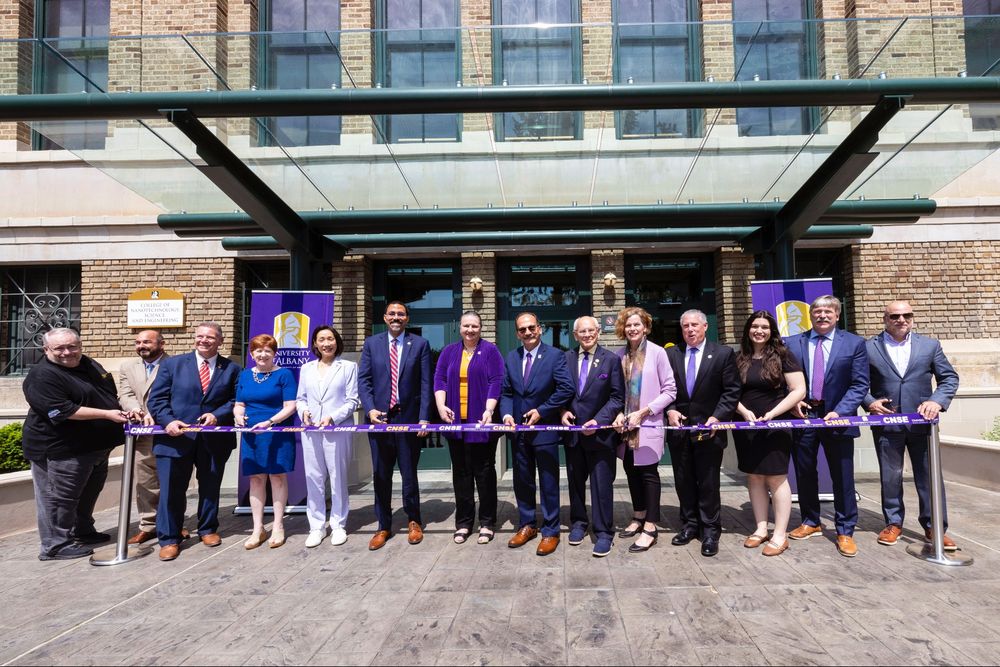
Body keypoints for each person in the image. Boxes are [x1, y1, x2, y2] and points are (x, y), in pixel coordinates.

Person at [21, 328, 127, 560]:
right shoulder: (42, 375)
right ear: (46, 349)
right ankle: (55, 545)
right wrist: (108, 414)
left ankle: (82, 530)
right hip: (61, 449)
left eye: (72, 346)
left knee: (87, 493)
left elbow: (107, 391)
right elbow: (62, 410)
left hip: (94, 447)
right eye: (59, 348)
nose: (67, 352)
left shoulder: (88, 364)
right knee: (59, 497)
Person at [864, 300, 960, 551]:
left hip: (922, 424)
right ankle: (893, 523)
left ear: (913, 318)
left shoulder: (929, 346)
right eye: (895, 316)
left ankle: (934, 527)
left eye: (907, 315)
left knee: (928, 476)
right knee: (891, 476)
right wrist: (870, 402)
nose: (901, 320)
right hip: (887, 423)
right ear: (885, 319)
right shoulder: (868, 347)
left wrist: (936, 401)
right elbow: (858, 382)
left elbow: (949, 378)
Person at [784, 295, 870, 558]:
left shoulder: (854, 343)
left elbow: (860, 384)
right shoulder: (793, 343)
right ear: (810, 315)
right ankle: (811, 521)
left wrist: (841, 411)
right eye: (817, 311)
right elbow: (782, 380)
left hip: (838, 416)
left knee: (842, 474)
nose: (822, 316)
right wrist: (792, 404)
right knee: (804, 471)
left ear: (837, 315)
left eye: (827, 312)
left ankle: (845, 529)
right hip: (805, 414)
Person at [147, 321, 240, 561]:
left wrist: (216, 414)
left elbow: (236, 399)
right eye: (200, 336)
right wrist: (167, 421)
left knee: (210, 486)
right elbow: (157, 399)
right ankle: (169, 538)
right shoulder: (172, 365)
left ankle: (208, 529)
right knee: (170, 490)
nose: (204, 340)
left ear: (220, 340)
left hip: (213, 439)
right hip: (174, 438)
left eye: (210, 337)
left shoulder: (231, 368)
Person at [665, 309, 741, 558]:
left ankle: (710, 530)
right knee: (683, 480)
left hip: (709, 430)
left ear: (705, 326)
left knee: (708, 483)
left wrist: (717, 417)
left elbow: (731, 391)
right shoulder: (671, 354)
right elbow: (666, 388)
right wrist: (670, 410)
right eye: (685, 325)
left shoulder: (723, 354)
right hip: (680, 431)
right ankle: (689, 525)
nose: (690, 329)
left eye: (694, 325)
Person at [358, 301, 432, 551]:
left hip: (408, 418)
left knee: (409, 474)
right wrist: (369, 410)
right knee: (381, 474)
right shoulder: (372, 344)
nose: (397, 317)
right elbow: (364, 380)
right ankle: (384, 525)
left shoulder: (420, 344)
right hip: (380, 419)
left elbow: (425, 383)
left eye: (401, 314)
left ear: (407, 318)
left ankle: (414, 521)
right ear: (385, 317)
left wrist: (424, 417)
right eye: (392, 314)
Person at [732, 311, 806, 557]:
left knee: (776, 478)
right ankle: (761, 527)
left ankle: (780, 534)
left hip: (776, 423)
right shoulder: (738, 357)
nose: (759, 331)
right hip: (747, 425)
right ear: (748, 330)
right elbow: (729, 392)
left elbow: (798, 390)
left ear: (772, 331)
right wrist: (742, 411)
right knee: (753, 476)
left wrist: (774, 413)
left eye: (764, 327)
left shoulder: (783, 355)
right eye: (755, 326)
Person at [502, 312, 575, 556]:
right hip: (518, 432)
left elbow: (566, 388)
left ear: (539, 329)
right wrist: (506, 415)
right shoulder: (511, 357)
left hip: (544, 430)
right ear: (517, 334)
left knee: (548, 482)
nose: (528, 332)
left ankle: (551, 530)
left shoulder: (555, 355)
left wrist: (542, 412)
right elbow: (507, 392)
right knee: (522, 481)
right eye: (522, 329)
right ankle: (527, 525)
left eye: (531, 327)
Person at [434, 311, 505, 545]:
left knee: (484, 474)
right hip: (456, 424)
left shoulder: (490, 351)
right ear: (460, 328)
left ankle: (487, 522)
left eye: (474, 326)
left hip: (481, 422)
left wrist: (489, 410)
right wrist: (441, 406)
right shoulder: (449, 352)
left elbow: (497, 381)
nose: (470, 330)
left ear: (481, 328)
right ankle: (463, 523)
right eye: (466, 326)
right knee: (461, 475)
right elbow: (440, 379)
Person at [612, 307, 677, 553]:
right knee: (630, 470)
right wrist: (619, 413)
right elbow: (616, 392)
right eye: (628, 325)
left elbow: (670, 390)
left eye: (637, 324)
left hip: (648, 423)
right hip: (625, 428)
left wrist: (645, 411)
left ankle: (650, 525)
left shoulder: (659, 353)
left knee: (649, 474)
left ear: (646, 327)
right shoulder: (619, 355)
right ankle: (638, 515)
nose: (632, 329)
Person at [560, 315, 624, 557]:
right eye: (581, 332)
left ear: (598, 332)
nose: (587, 335)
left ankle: (604, 532)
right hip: (574, 434)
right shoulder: (564, 358)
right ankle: (578, 523)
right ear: (575, 335)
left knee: (601, 486)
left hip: (600, 435)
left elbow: (618, 397)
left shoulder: (611, 360)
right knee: (576, 483)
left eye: (591, 331)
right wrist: (563, 411)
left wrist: (598, 421)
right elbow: (560, 392)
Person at [297, 325, 360, 548]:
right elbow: (301, 398)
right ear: (315, 343)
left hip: (337, 430)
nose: (326, 343)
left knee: (338, 478)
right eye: (321, 339)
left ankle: (338, 524)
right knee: (313, 478)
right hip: (311, 430)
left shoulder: (348, 367)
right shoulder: (306, 368)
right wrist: (303, 411)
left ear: (337, 341)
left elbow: (353, 400)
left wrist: (333, 417)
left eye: (330, 339)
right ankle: (316, 526)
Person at [234, 334, 297, 550]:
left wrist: (270, 422)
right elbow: (239, 403)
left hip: (276, 432)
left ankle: (278, 526)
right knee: (256, 480)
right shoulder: (244, 375)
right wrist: (238, 415)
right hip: (252, 434)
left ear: (274, 353)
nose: (262, 354)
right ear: (251, 354)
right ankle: (258, 528)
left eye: (267, 351)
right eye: (258, 350)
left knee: (277, 478)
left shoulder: (284, 374)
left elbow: (290, 406)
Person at [117, 329, 177, 545]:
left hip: (167, 431)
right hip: (141, 433)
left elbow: (178, 395)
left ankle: (174, 524)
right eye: (138, 342)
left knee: (171, 482)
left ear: (161, 344)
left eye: (147, 342)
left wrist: (158, 413)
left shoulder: (176, 364)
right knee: (145, 482)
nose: (141, 345)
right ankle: (148, 525)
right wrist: (135, 410)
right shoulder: (127, 367)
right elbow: (125, 393)